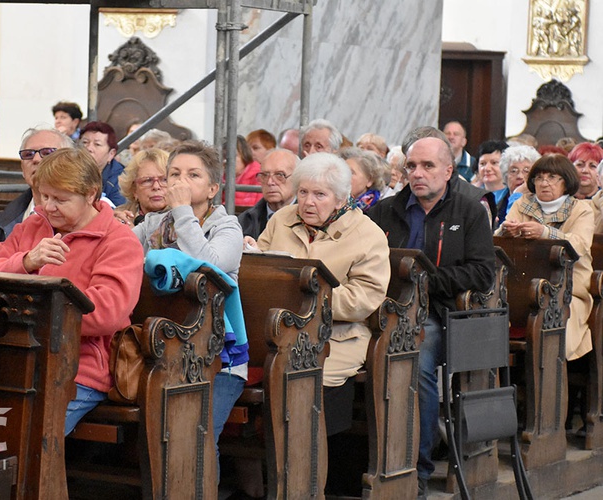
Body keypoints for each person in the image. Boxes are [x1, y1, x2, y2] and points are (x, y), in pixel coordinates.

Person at [244, 152, 389, 496]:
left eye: (320, 195)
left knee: (303, 378)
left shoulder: (366, 233)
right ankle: (257, 480)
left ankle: (306, 486)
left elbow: (365, 297)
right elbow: (260, 269)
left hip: (336, 336)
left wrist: (310, 302)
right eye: (304, 192)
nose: (308, 202)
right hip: (276, 332)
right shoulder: (281, 219)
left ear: (342, 198)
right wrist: (251, 255)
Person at [367, 137, 495, 500]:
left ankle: (416, 468)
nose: (417, 174)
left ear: (449, 170)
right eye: (411, 166)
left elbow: (482, 272)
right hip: (384, 309)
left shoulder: (469, 210)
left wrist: (426, 281)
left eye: (427, 166)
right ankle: (369, 461)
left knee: (416, 365)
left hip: (439, 312)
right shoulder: (384, 210)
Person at [0, 148, 143, 435]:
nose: (49, 206)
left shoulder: (118, 241)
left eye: (61, 199)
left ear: (92, 194)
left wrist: (37, 312)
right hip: (15, 354)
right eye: (44, 196)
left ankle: (31, 480)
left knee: (29, 432)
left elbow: (106, 312)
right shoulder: (33, 225)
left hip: (78, 367)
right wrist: (26, 262)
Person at [131, 140, 247, 463]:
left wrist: (182, 212)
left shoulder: (228, 228)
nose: (180, 182)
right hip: (160, 349)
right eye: (175, 174)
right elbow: (123, 257)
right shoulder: (154, 224)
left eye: (193, 175)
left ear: (212, 188)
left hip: (217, 356)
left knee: (197, 436)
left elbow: (206, 265)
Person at [496, 154, 594, 361]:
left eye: (552, 177)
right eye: (539, 178)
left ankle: (549, 381)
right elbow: (498, 238)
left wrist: (545, 232)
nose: (544, 183)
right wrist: (506, 232)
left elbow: (580, 245)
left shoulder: (581, 209)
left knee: (552, 324)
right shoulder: (522, 204)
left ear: (566, 181)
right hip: (521, 288)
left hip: (569, 291)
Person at [0, 127, 74, 252]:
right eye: (28, 154)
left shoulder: (83, 218)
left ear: (70, 164)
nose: (36, 160)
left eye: (47, 153)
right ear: (22, 169)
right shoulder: (4, 220)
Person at [238, 148, 298, 239]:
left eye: (279, 175)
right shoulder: (245, 221)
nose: (270, 182)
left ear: (297, 178)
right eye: (264, 175)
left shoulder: (310, 219)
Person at [115, 148, 169, 226]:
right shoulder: (119, 217)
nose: (156, 186)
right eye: (147, 180)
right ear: (134, 189)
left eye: (164, 180)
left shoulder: (185, 217)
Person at [79, 121, 126, 206]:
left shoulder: (120, 179)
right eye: (85, 142)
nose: (89, 148)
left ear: (111, 154)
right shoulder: (69, 170)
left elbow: (119, 211)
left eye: (97, 144)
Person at [339, 147, 386, 212]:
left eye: (351, 172)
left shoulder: (378, 211)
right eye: (342, 171)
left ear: (369, 180)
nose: (344, 176)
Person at [500, 144, 541, 216]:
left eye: (526, 171)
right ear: (505, 176)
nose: (520, 176)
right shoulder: (494, 199)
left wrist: (517, 195)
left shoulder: (542, 202)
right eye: (514, 171)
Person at [475, 140, 509, 226]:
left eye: (494, 163)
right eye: (482, 164)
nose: (487, 168)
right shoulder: (472, 195)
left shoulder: (512, 196)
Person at [234, 135, 263, 207]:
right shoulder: (220, 177)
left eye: (234, 155)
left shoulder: (258, 175)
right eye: (224, 155)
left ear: (244, 155)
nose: (226, 160)